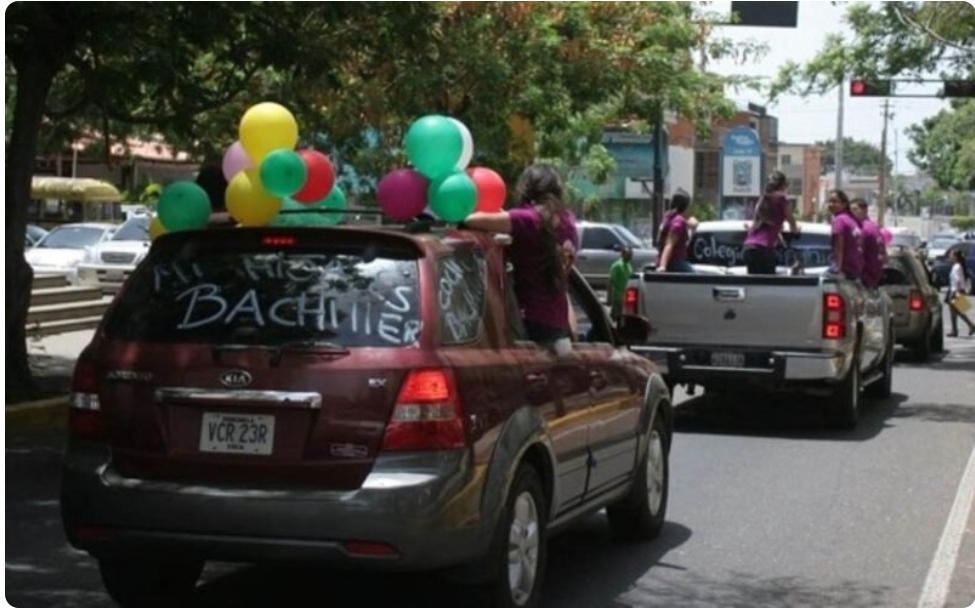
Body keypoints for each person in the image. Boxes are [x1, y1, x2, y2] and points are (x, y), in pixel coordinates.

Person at [463, 163, 579, 354]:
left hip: (529, 320)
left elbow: (470, 220)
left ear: (528, 188)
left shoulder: (527, 220)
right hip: (557, 323)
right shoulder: (568, 222)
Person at [742, 170, 799, 275]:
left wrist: (778, 235)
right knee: (766, 286)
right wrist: (795, 229)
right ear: (784, 184)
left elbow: (758, 222)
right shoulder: (782, 198)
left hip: (749, 247)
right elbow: (790, 217)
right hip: (764, 249)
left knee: (754, 287)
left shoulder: (762, 199)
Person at [826, 189, 863, 281]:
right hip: (857, 268)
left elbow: (839, 245)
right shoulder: (851, 219)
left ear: (844, 204)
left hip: (846, 269)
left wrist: (837, 269)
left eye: (835, 202)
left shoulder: (839, 220)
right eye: (829, 201)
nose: (831, 204)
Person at [851, 198, 887, 290]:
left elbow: (857, 254)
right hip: (874, 276)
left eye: (855, 209)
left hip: (865, 277)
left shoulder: (864, 228)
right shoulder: (874, 227)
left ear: (865, 211)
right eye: (850, 210)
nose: (852, 213)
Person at [657, 190, 695, 273]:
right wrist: (663, 266)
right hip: (676, 262)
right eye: (689, 205)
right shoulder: (679, 222)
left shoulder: (668, 216)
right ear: (685, 206)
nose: (690, 208)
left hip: (666, 261)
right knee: (698, 280)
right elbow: (669, 244)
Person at [946, 248, 975, 337]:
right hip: (956, 290)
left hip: (956, 291)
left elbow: (958, 280)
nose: (950, 256)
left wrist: (957, 292)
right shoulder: (958, 266)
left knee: (955, 311)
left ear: (955, 257)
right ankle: (970, 326)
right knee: (957, 311)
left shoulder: (957, 267)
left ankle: (955, 330)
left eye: (951, 255)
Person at [607, 245, 634, 326]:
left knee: (623, 320)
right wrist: (609, 298)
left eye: (631, 254)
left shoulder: (629, 266)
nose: (630, 256)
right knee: (615, 319)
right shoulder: (617, 265)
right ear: (623, 254)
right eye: (628, 254)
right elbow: (610, 282)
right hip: (617, 297)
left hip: (626, 299)